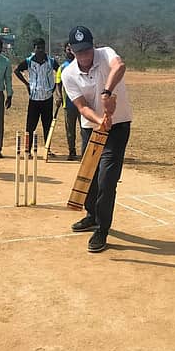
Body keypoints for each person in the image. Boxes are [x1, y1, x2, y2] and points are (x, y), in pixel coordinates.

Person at [61, 26, 132, 253]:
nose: (85, 56)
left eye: (87, 50)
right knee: (89, 176)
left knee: (106, 179)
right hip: (91, 127)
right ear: (71, 50)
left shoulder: (106, 53)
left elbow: (119, 66)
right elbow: (81, 107)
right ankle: (92, 215)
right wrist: (100, 119)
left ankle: (102, 229)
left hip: (118, 125)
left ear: (94, 45)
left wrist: (107, 93)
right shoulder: (68, 74)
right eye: (79, 52)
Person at [15, 38, 61, 157]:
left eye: (42, 48)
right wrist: (26, 84)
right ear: (34, 48)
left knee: (47, 124)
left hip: (47, 97)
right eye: (38, 48)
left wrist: (55, 87)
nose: (40, 50)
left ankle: (47, 149)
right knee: (30, 125)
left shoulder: (50, 61)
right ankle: (27, 150)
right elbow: (17, 70)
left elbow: (60, 72)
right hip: (34, 98)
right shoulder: (29, 61)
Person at [56, 43, 79, 160]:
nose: (70, 51)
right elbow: (58, 84)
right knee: (70, 131)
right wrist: (59, 96)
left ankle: (86, 152)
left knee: (85, 129)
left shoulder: (82, 64)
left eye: (72, 49)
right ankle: (72, 151)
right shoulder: (62, 67)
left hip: (83, 104)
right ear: (65, 50)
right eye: (68, 49)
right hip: (68, 104)